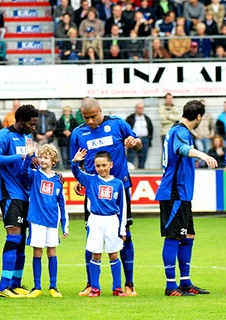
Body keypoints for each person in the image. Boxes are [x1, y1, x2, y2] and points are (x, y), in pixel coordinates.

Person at [70, 97, 142, 297]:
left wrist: (134, 142)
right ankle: (90, 284)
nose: (90, 121)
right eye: (86, 118)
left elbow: (139, 144)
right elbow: (76, 160)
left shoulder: (118, 124)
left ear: (100, 111)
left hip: (119, 189)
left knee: (124, 233)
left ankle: (128, 284)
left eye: (93, 117)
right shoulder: (78, 133)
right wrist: (80, 178)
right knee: (91, 236)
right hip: (94, 191)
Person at [155, 100, 217, 296]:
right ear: (198, 117)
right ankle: (170, 285)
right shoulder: (180, 132)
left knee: (188, 235)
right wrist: (201, 154)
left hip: (182, 194)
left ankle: (185, 281)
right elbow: (181, 149)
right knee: (173, 236)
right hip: (174, 192)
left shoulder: (177, 130)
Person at [0, 104, 38, 298]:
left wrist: (33, 162)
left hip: (26, 194)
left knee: (21, 240)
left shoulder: (28, 138)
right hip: (9, 193)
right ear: (22, 121)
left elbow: (26, 164)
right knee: (14, 237)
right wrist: (21, 155)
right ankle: (3, 287)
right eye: (32, 124)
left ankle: (16, 284)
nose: (34, 127)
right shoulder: (3, 135)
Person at [71, 149, 127, 297]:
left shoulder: (118, 183)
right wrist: (75, 161)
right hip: (95, 220)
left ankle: (117, 288)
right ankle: (95, 288)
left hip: (112, 221)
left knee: (114, 255)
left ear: (111, 165)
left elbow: (123, 207)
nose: (101, 168)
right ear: (94, 166)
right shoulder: (90, 180)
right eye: (98, 166)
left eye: (104, 165)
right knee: (95, 255)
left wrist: (123, 230)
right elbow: (76, 172)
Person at [18, 143, 68, 298]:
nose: (42, 160)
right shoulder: (35, 175)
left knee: (52, 252)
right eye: (40, 157)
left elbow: (62, 203)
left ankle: (53, 286)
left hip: (52, 221)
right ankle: (37, 286)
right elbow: (23, 172)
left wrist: (64, 225)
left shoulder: (58, 180)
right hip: (37, 220)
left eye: (46, 157)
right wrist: (29, 155)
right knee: (37, 252)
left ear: (53, 161)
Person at [125, 102, 153, 169]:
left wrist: (149, 139)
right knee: (131, 157)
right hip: (133, 139)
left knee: (143, 158)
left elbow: (150, 129)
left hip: (144, 139)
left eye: (142, 108)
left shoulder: (147, 118)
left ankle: (142, 171)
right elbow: (126, 128)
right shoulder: (130, 118)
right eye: (139, 108)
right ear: (136, 108)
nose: (141, 109)